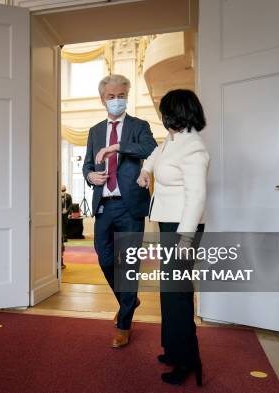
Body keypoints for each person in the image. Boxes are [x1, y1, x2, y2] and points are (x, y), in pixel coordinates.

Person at [137, 89, 209, 387]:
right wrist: (145, 171)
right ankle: (172, 349)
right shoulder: (173, 140)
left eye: (165, 111)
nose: (162, 116)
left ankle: (188, 360)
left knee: (178, 294)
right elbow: (156, 154)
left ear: (177, 113)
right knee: (169, 292)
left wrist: (186, 238)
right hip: (168, 223)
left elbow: (197, 197)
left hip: (182, 228)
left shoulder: (193, 148)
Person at [83, 74, 157, 348]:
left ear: (127, 95)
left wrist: (117, 147)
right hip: (104, 205)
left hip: (130, 206)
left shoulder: (139, 126)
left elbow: (151, 149)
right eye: (111, 97)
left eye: (121, 96)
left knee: (129, 267)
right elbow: (88, 165)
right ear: (103, 99)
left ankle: (124, 323)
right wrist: (90, 176)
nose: (117, 101)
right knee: (104, 260)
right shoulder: (93, 131)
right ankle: (129, 300)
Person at [60, 185, 73, 269]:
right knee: (60, 226)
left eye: (64, 190)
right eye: (61, 190)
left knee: (65, 225)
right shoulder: (56, 195)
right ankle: (62, 237)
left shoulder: (68, 196)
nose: (63, 191)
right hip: (59, 214)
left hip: (66, 214)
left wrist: (68, 211)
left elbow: (70, 205)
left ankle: (64, 236)